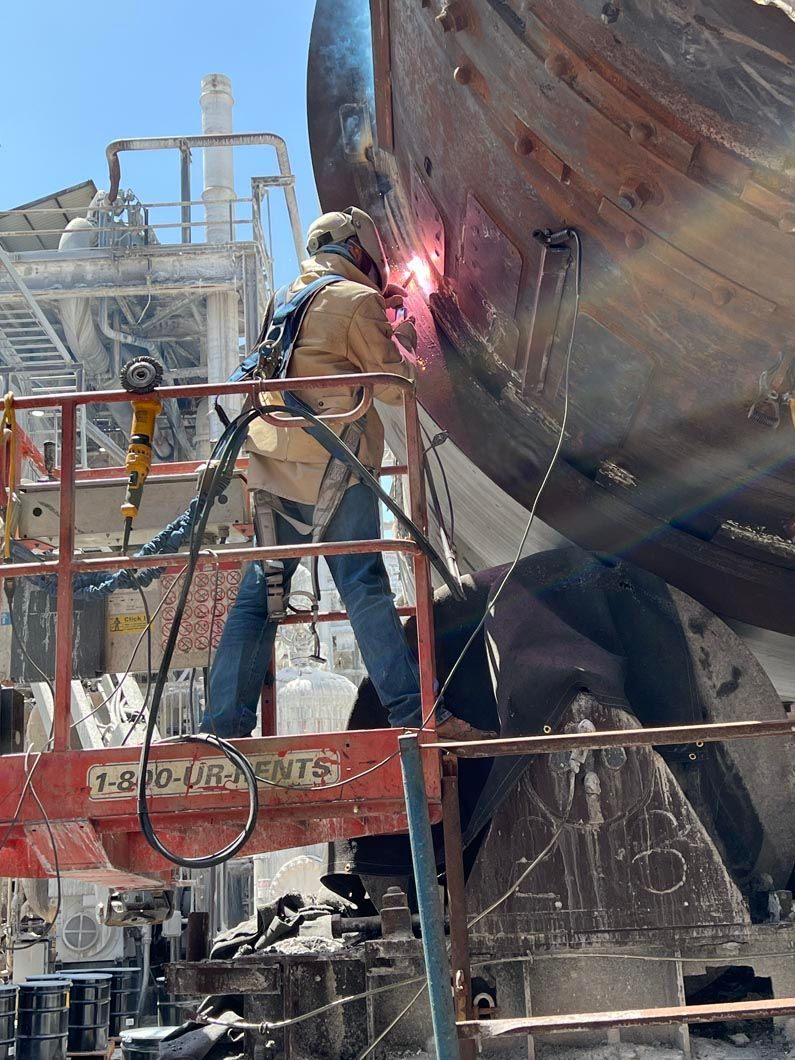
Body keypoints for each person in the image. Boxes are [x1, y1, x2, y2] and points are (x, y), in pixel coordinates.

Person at [201, 207, 495, 741]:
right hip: (335, 464)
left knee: (259, 597)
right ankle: (415, 713)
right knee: (363, 586)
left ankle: (222, 729)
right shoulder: (357, 300)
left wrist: (374, 314)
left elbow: (316, 347)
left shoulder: (285, 297)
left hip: (274, 466)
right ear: (358, 250)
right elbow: (395, 385)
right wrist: (405, 338)